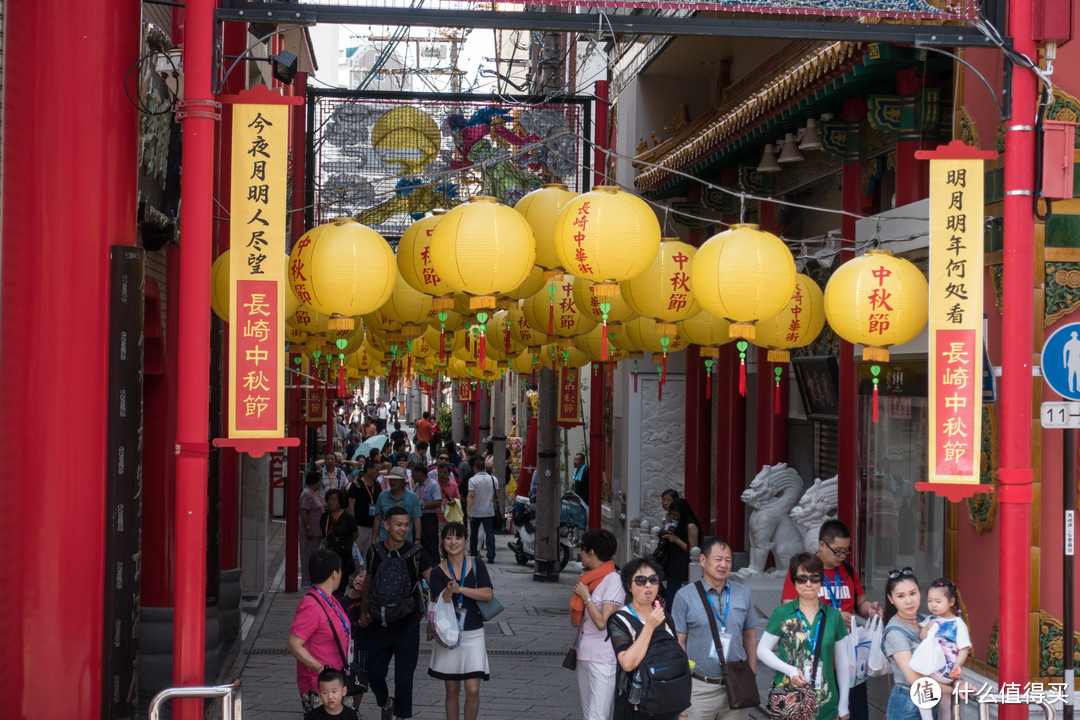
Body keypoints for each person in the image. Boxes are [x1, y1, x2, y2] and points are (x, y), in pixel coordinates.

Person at [779, 520, 882, 720]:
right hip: (817, 659)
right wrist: (831, 616)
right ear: (821, 545)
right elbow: (788, 610)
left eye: (846, 551)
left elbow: (860, 601)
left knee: (856, 713)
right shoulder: (804, 570)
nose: (842, 557)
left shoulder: (847, 569)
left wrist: (870, 609)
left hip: (850, 657)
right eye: (838, 551)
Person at [357, 507, 433, 720]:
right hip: (378, 622)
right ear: (387, 525)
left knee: (404, 677)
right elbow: (368, 583)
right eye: (398, 525)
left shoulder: (417, 554)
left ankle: (401, 717)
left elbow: (433, 582)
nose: (403, 529)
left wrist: (433, 620)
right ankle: (386, 702)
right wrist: (364, 611)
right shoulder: (374, 552)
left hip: (407, 624)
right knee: (374, 674)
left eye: (406, 525)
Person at [671, 537, 759, 720]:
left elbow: (749, 635)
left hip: (737, 683)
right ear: (703, 560)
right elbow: (680, 641)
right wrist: (681, 685)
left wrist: (752, 671)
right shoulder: (685, 596)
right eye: (718, 559)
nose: (723, 565)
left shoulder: (743, 593)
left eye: (728, 560)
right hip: (699, 686)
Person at [758, 553, 850, 720]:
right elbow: (762, 650)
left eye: (815, 578)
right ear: (794, 581)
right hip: (788, 701)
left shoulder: (834, 616)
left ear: (822, 580)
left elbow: (843, 662)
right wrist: (789, 669)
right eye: (802, 578)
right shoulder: (782, 613)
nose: (808, 583)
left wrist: (843, 704)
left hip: (826, 701)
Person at [607, 557, 688, 720]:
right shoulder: (619, 619)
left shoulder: (666, 616)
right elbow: (627, 663)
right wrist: (649, 626)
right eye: (641, 580)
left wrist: (683, 710)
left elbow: (677, 660)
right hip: (636, 706)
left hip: (668, 703)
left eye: (653, 580)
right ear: (629, 586)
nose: (648, 585)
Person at [428, 522, 494, 720]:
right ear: (443, 542)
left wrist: (461, 589)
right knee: (452, 689)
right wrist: (448, 592)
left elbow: (488, 594)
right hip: (449, 635)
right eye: (449, 538)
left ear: (465, 541)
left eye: (458, 538)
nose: (453, 542)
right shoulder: (437, 571)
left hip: (473, 632)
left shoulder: (477, 564)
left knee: (473, 689)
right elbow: (439, 603)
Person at [882, 568, 966, 720]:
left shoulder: (927, 621)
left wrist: (958, 679)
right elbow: (914, 678)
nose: (909, 601)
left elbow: (949, 654)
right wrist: (952, 688)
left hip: (930, 699)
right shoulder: (895, 632)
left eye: (913, 593)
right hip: (907, 703)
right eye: (901, 596)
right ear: (891, 598)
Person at [288, 550, 353, 713]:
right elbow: (294, 644)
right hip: (320, 685)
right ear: (333, 574)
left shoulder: (329, 599)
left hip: (337, 681)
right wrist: (319, 668)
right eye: (340, 570)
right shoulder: (311, 604)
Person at [570, 529, 621, 720]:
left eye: (582, 550)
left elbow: (602, 622)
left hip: (604, 656)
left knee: (597, 715)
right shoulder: (589, 579)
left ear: (591, 552)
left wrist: (586, 598)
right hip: (584, 652)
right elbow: (576, 622)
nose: (580, 554)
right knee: (588, 713)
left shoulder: (613, 580)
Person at [658, 498, 700, 608]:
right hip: (671, 561)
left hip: (680, 565)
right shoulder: (678, 523)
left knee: (672, 595)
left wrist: (676, 540)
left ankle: (671, 618)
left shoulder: (691, 526)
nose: (675, 518)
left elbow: (693, 549)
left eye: (676, 515)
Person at [321, 489, 359, 594]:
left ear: (340, 502)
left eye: (334, 500)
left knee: (341, 583)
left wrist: (346, 544)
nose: (330, 503)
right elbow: (323, 533)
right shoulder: (324, 517)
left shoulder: (347, 517)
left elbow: (355, 534)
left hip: (343, 553)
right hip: (329, 553)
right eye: (329, 500)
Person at [372, 466, 423, 544]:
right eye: (391, 480)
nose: (393, 482)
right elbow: (378, 518)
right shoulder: (382, 496)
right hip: (385, 540)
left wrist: (418, 539)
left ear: (402, 481)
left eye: (395, 480)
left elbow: (416, 519)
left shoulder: (412, 497)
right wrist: (373, 539)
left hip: (405, 540)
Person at [466, 456, 498, 563]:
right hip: (488, 511)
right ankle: (491, 554)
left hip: (475, 511)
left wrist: (468, 510)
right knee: (489, 533)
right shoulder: (493, 479)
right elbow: (496, 495)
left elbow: (470, 495)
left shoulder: (473, 480)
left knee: (474, 533)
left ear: (475, 468)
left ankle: (474, 553)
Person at [348, 459, 380, 560]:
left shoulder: (378, 486)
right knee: (356, 555)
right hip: (359, 526)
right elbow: (351, 506)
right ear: (369, 470)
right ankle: (355, 575)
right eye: (377, 470)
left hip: (374, 526)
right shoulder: (356, 485)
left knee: (370, 555)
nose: (378, 473)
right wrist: (353, 527)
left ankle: (366, 574)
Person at [300, 471, 326, 588]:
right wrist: (308, 528)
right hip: (310, 531)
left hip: (317, 531)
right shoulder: (306, 494)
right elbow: (303, 511)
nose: (321, 483)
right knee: (307, 556)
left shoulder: (314, 493)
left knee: (313, 555)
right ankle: (306, 580)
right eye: (320, 480)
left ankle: (311, 579)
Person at [415, 462, 442, 563]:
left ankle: (435, 565)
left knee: (431, 543)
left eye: (414, 473)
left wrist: (423, 506)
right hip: (418, 518)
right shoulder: (416, 485)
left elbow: (438, 502)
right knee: (422, 544)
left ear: (420, 473)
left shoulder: (433, 485)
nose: (413, 475)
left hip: (429, 518)